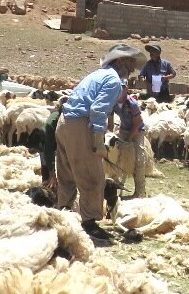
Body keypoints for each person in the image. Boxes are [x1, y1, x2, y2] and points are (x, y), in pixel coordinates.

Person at [57, 43, 144, 242]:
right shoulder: (113, 80)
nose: (132, 68)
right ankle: (89, 224)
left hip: (65, 123)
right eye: (130, 63)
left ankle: (64, 215)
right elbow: (98, 110)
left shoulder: (96, 74)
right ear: (120, 61)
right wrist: (98, 141)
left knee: (67, 173)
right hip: (80, 125)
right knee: (92, 176)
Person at [111, 82, 147, 198]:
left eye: (120, 88)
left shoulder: (132, 103)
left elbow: (138, 123)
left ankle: (140, 192)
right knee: (116, 157)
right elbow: (110, 121)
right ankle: (115, 188)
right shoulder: (113, 102)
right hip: (124, 129)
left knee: (139, 159)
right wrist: (110, 135)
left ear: (125, 89)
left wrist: (129, 140)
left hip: (137, 132)